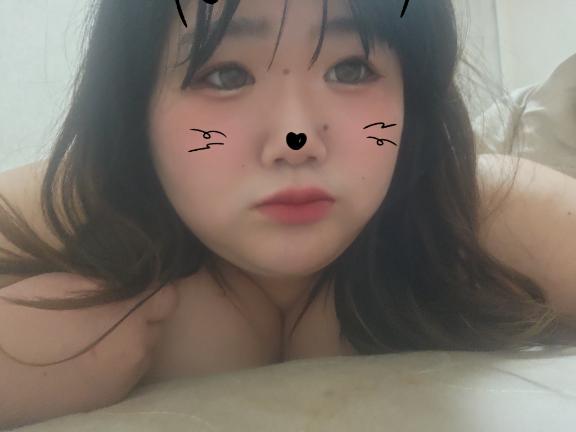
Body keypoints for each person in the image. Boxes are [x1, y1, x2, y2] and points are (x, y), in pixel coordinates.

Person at [1, 0, 576, 427]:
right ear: (133, 107)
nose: (295, 139)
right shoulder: (78, 203)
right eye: (227, 75)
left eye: (350, 69)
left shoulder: (473, 210)